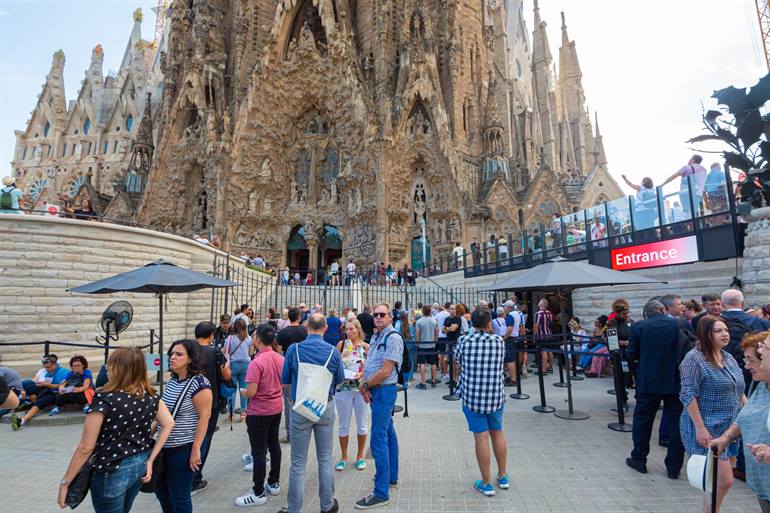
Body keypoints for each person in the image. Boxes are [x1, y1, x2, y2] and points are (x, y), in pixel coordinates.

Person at [57, 347, 175, 513]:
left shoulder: (104, 398)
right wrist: (150, 459)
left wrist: (66, 482)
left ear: (116, 369)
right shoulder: (151, 396)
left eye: (109, 366)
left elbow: (86, 447)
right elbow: (169, 423)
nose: (107, 369)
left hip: (111, 469)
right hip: (139, 463)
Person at [679, 315, 746, 513]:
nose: (725, 334)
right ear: (705, 334)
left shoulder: (727, 357)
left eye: (726, 330)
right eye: (718, 331)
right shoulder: (694, 359)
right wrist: (700, 428)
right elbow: (688, 394)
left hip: (729, 427)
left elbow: (739, 388)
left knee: (715, 483)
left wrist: (749, 411)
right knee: (723, 481)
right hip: (707, 427)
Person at [279, 313, 344, 513]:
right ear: (325, 328)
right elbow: (340, 379)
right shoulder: (333, 352)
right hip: (324, 405)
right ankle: (327, 505)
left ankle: (294, 508)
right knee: (325, 459)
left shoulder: (294, 349)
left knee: (298, 462)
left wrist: (292, 399)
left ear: (306, 327)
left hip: (300, 406)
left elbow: (285, 380)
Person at [625, 299, 685, 479]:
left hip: (648, 381)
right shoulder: (679, 324)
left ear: (647, 313)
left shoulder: (638, 327)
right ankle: (674, 468)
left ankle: (639, 459)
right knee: (676, 424)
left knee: (643, 421)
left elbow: (632, 354)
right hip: (675, 380)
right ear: (662, 309)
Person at [712, 331, 770, 513]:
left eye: (751, 360)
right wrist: (726, 437)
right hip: (761, 480)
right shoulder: (760, 385)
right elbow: (745, 415)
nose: (746, 366)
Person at [454, 309, 510, 496]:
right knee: (497, 432)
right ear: (489, 324)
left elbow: (457, 360)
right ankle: (502, 475)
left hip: (473, 396)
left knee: (481, 437)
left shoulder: (464, 341)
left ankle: (486, 482)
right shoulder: (498, 341)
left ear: (472, 324)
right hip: (495, 395)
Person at [354, 303, 403, 510]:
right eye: (376, 314)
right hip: (376, 390)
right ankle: (390, 476)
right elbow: (371, 362)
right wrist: (366, 384)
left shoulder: (393, 338)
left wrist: (365, 385)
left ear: (390, 317)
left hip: (384, 391)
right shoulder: (376, 336)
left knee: (378, 439)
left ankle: (381, 492)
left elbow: (385, 371)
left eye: (383, 314)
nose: (378, 317)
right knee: (388, 433)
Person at [155, 339, 212, 513]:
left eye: (179, 354)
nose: (173, 357)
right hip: (164, 446)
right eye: (171, 354)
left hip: (183, 448)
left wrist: (196, 449)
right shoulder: (173, 381)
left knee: (179, 496)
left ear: (190, 358)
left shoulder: (199, 383)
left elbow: (204, 417)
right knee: (162, 493)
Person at [235, 324, 284, 507]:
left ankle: (258, 492)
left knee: (259, 452)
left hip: (259, 411)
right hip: (276, 408)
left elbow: (252, 392)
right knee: (274, 445)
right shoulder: (279, 358)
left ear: (258, 339)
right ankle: (274, 482)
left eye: (254, 335)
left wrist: (243, 392)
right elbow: (284, 382)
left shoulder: (256, 363)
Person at [191, 321, 231, 494]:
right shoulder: (215, 352)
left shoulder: (188, 350)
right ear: (211, 335)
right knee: (204, 440)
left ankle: (187, 475)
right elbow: (226, 375)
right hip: (210, 401)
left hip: (189, 400)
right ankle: (195, 478)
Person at [335, 319, 370, 471]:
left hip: (360, 389)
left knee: (362, 424)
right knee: (343, 425)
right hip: (343, 389)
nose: (349, 332)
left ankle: (360, 456)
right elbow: (333, 365)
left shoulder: (366, 347)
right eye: (347, 329)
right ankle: (343, 457)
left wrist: (362, 373)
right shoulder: (341, 345)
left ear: (358, 329)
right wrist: (340, 356)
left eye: (351, 329)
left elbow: (371, 367)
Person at [12, 354, 69, 429]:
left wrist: (46, 384)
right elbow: (47, 383)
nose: (47, 369)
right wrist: (42, 384)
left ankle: (22, 420)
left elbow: (60, 386)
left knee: (40, 402)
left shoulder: (62, 371)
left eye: (48, 367)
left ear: (54, 364)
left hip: (58, 394)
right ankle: (26, 413)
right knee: (28, 385)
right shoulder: (48, 372)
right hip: (48, 390)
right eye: (45, 367)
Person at [276, 307, 307, 443]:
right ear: (299, 317)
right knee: (303, 398)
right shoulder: (304, 331)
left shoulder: (283, 332)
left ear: (288, 317)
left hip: (288, 367)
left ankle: (290, 433)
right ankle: (303, 428)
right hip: (303, 367)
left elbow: (278, 350)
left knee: (288, 402)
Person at [224, 318, 252, 414]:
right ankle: (243, 410)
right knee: (243, 388)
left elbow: (225, 351)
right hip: (245, 365)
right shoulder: (248, 338)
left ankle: (231, 412)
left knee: (232, 389)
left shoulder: (230, 338)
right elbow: (250, 353)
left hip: (233, 365)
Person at [414, 304, 439, 389]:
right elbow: (436, 333)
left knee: (422, 364)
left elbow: (417, 335)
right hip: (431, 344)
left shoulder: (419, 321)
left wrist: (417, 343)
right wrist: (435, 342)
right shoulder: (434, 321)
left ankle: (423, 382)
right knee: (433, 363)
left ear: (423, 311)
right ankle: (433, 381)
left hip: (422, 345)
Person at [533, 298, 554, 373]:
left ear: (541, 305)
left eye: (539, 303)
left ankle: (543, 369)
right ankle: (550, 367)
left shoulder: (538, 314)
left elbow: (536, 326)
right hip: (549, 334)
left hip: (541, 335)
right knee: (550, 351)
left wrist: (534, 336)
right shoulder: (549, 313)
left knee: (543, 351)